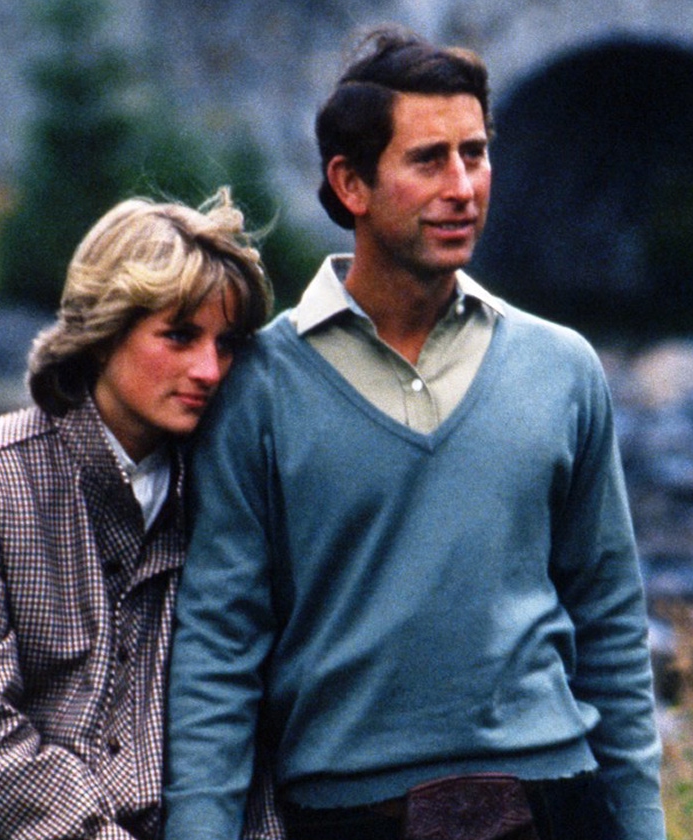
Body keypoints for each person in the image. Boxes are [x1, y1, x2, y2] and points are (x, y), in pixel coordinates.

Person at [164, 27, 666, 840]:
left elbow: (609, 620)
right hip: (348, 815)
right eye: (429, 160)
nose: (462, 187)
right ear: (350, 183)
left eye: (476, 154)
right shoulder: (258, 387)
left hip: (553, 799)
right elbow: (219, 649)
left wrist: (641, 825)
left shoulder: (563, 368)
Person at [0, 189, 284, 840]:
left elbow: (241, 709)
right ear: (102, 335)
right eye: (179, 336)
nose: (209, 369)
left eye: (227, 343)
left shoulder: (227, 490)